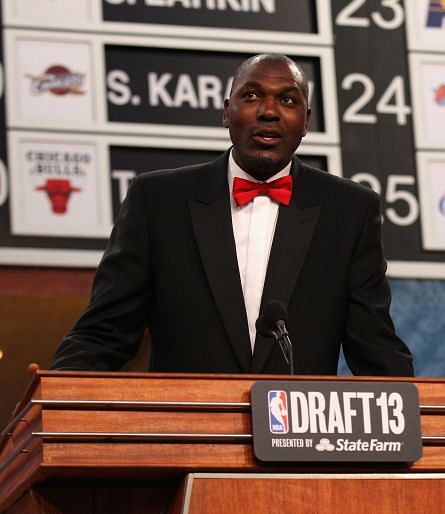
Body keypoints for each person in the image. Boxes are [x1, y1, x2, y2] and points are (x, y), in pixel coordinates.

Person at [50, 53, 414, 377]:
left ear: (305, 121)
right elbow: (104, 332)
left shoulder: (349, 209)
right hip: (185, 439)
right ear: (226, 112)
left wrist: (419, 421)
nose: (268, 111)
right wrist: (52, 402)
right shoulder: (159, 200)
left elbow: (375, 346)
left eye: (287, 100)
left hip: (300, 447)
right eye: (252, 95)